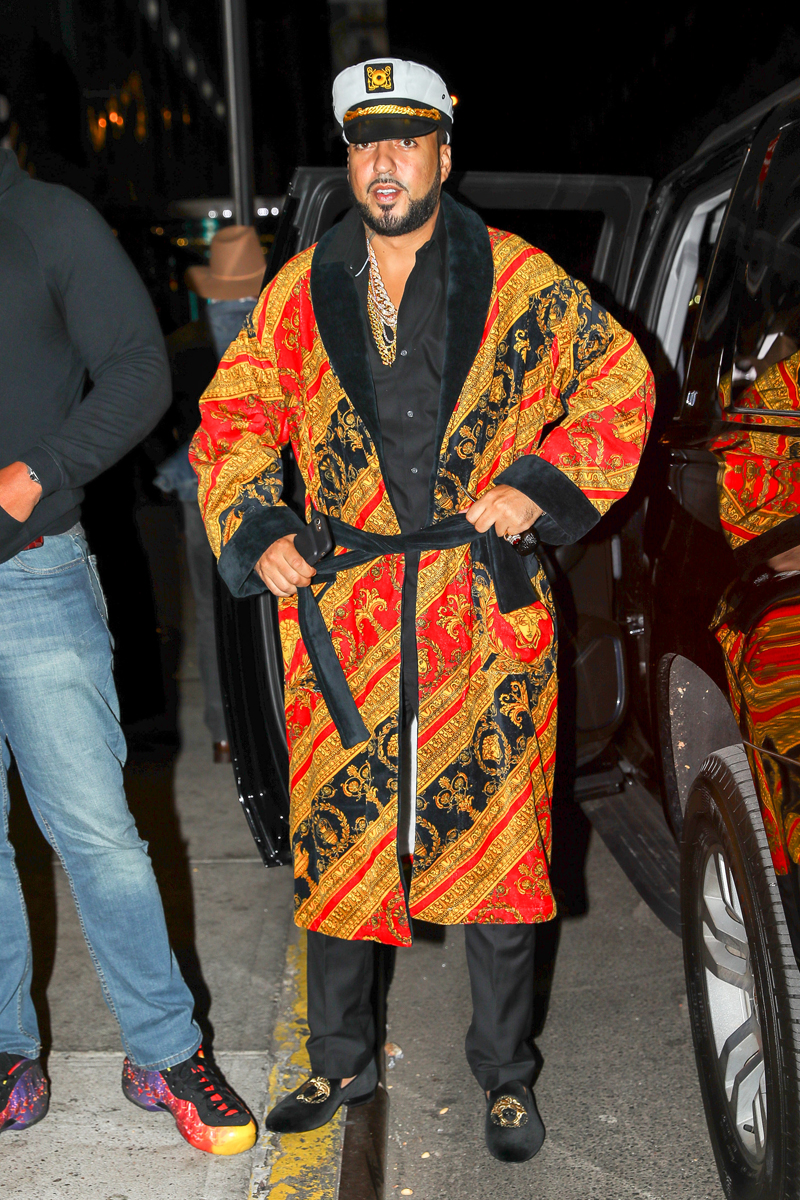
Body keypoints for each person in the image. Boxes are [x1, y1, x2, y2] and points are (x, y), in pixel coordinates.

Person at [191, 57, 655, 1163]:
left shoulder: (519, 279)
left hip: (477, 605)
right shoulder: (301, 288)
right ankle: (340, 1056)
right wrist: (259, 528)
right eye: (364, 144)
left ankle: (504, 1074)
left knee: (498, 849)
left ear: (445, 155)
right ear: (349, 159)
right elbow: (236, 413)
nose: (383, 163)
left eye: (405, 142)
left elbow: (616, 381)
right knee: (342, 843)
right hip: (345, 614)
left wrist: (534, 487)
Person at [0, 144, 255, 1155]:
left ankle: (164, 1051)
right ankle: (10, 1054)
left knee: (97, 833)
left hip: (32, 574)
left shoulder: (45, 218)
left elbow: (142, 372)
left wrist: (39, 471)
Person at [155, 225, 267, 761]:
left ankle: (224, 731)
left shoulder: (182, 347)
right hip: (257, 486)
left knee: (211, 610)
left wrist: (175, 467)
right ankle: (260, 722)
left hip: (197, 491)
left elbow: (157, 421)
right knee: (267, 607)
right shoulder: (276, 335)